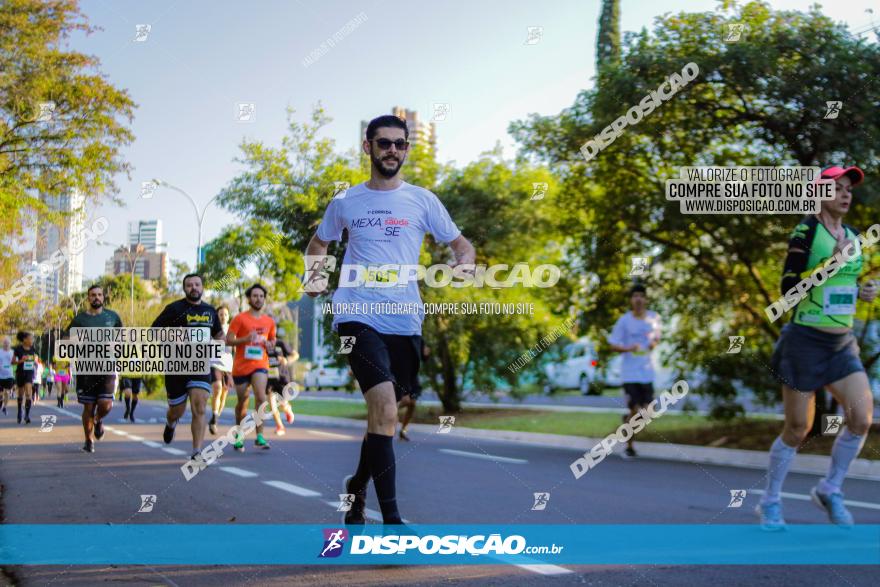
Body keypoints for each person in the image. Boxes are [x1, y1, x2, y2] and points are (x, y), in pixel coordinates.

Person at [305, 114, 475, 526]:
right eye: (384, 143)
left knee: (387, 414)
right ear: (368, 147)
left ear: (406, 150)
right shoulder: (346, 200)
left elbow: (462, 246)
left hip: (404, 319)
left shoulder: (423, 200)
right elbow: (319, 241)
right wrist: (314, 280)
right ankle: (394, 520)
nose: (392, 151)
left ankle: (357, 484)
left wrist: (463, 265)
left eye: (400, 144)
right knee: (382, 406)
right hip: (356, 314)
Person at [757, 165, 876, 530]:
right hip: (805, 341)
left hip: (842, 343)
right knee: (798, 428)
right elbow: (788, 288)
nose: (845, 194)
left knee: (861, 418)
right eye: (837, 188)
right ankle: (770, 501)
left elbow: (847, 284)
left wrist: (864, 292)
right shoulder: (806, 231)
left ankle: (830, 488)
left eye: (848, 189)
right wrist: (829, 262)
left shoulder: (854, 236)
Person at [151, 273, 224, 461]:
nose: (194, 288)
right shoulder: (174, 308)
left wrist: (218, 346)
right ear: (184, 289)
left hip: (200, 364)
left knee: (199, 407)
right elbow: (153, 332)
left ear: (202, 288)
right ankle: (170, 421)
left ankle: (196, 451)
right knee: (178, 410)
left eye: (197, 284)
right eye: (189, 285)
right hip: (176, 365)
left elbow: (219, 335)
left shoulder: (210, 311)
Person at [65, 285, 124, 452]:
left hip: (108, 366)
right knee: (88, 406)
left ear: (103, 297)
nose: (96, 297)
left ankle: (98, 420)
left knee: (105, 404)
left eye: (99, 294)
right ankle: (88, 440)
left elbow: (122, 337)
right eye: (93, 295)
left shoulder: (112, 317)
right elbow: (68, 339)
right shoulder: (80, 319)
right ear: (88, 298)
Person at [608, 284, 661, 459]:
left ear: (646, 299)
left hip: (647, 372)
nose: (638, 299)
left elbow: (656, 339)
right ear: (631, 300)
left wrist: (653, 343)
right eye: (635, 296)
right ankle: (630, 447)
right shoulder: (624, 321)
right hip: (629, 374)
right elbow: (612, 345)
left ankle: (627, 421)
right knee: (634, 410)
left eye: (641, 296)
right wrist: (627, 348)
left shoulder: (654, 318)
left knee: (646, 413)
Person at [227, 284, 276, 451]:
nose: (258, 298)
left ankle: (260, 436)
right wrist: (245, 339)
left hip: (260, 364)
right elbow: (228, 340)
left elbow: (272, 341)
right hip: (241, 366)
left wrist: (270, 344)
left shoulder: (269, 321)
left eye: (261, 296)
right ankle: (239, 434)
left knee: (261, 397)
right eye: (255, 296)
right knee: (242, 401)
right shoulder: (239, 318)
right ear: (249, 299)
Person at [208, 305, 234, 435]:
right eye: (221, 314)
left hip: (228, 366)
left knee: (224, 395)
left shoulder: (232, 330)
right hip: (214, 363)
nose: (223, 316)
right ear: (217, 316)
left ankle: (215, 418)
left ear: (228, 316)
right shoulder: (211, 328)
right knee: (217, 388)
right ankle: (213, 416)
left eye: (225, 314)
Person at [398, 341, 429, 441]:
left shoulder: (419, 338)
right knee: (406, 401)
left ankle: (403, 430)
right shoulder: (400, 333)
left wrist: (426, 353)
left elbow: (423, 357)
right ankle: (385, 411)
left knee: (412, 404)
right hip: (400, 373)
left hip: (412, 376)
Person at [266, 327, 296, 435]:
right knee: (272, 404)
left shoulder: (281, 344)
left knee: (283, 404)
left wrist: (286, 360)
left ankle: (288, 409)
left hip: (282, 378)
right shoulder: (263, 345)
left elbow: (296, 355)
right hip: (269, 379)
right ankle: (280, 426)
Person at [11, 331, 38, 424]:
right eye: (31, 338)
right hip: (20, 373)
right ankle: (19, 411)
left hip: (29, 373)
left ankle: (27, 415)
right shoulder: (18, 349)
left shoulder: (33, 349)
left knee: (28, 393)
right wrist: (21, 360)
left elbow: (34, 359)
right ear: (25, 340)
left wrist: (34, 362)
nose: (32, 340)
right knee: (20, 394)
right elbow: (13, 362)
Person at [0, 337, 13, 415]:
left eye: (7, 343)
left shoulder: (12, 352)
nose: (6, 344)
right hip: (0, 376)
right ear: (2, 343)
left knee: (7, 393)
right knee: (1, 393)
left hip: (9, 375)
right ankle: (1, 402)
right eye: (5, 342)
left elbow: (16, 362)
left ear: (10, 344)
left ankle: (4, 407)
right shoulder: (0, 352)